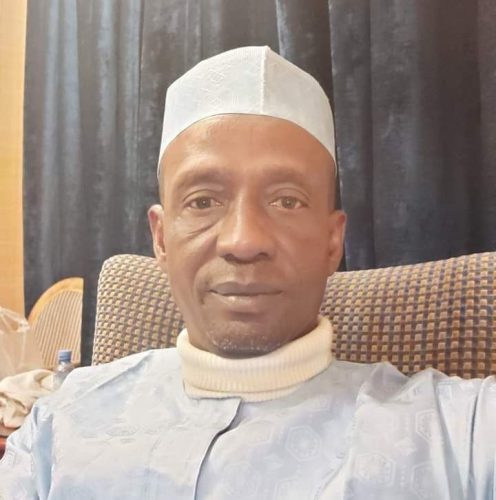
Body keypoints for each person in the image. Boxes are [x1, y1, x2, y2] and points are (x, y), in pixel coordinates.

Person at [1, 46, 495, 500]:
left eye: (287, 201)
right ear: (161, 238)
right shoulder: (57, 428)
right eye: (203, 201)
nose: (243, 241)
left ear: (332, 241)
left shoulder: (459, 433)